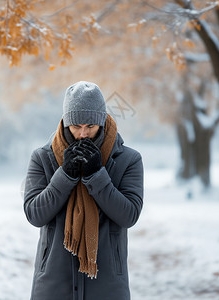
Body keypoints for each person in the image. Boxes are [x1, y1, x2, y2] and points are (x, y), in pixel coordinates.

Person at [23, 81, 144, 300]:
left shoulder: (128, 160)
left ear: (102, 122)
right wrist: (65, 175)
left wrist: (97, 175)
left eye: (90, 126)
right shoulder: (42, 158)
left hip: (107, 285)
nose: (83, 134)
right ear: (65, 122)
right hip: (53, 284)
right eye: (76, 126)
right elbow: (34, 214)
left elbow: (129, 215)